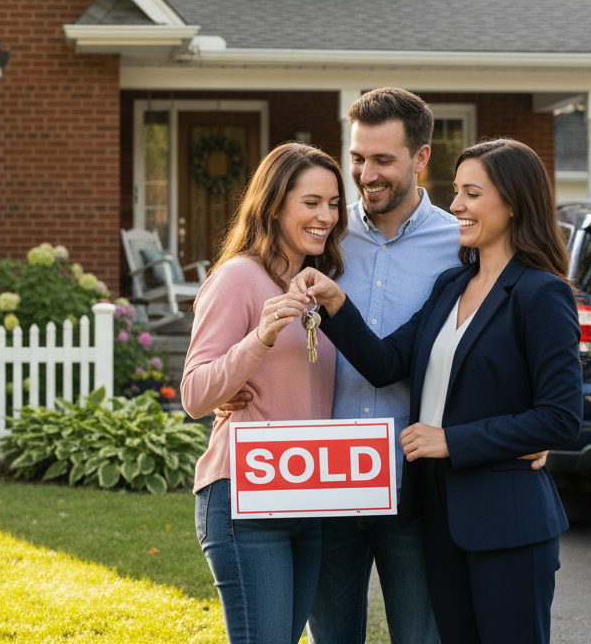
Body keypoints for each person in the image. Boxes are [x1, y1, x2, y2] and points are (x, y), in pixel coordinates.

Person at [218, 88, 547, 643]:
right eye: (357, 158)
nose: (365, 175)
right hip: (321, 481)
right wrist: (240, 373)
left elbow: (500, 338)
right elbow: (256, 300)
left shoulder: (462, 243)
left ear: (420, 158)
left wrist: (526, 430)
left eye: (383, 160)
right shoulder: (322, 233)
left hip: (414, 484)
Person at [295, 138, 584, 644]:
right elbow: (386, 364)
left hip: (507, 522)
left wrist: (450, 440)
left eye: (472, 194)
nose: (455, 206)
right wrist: (336, 303)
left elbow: (559, 417)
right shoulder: (451, 285)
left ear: (514, 202)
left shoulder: (542, 292)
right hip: (439, 521)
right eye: (456, 192)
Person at [181, 141, 348, 644]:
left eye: (334, 203)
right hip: (243, 498)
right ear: (274, 205)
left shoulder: (321, 287)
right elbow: (194, 394)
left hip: (307, 493)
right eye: (311, 202)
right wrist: (259, 340)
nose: (326, 216)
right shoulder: (238, 278)